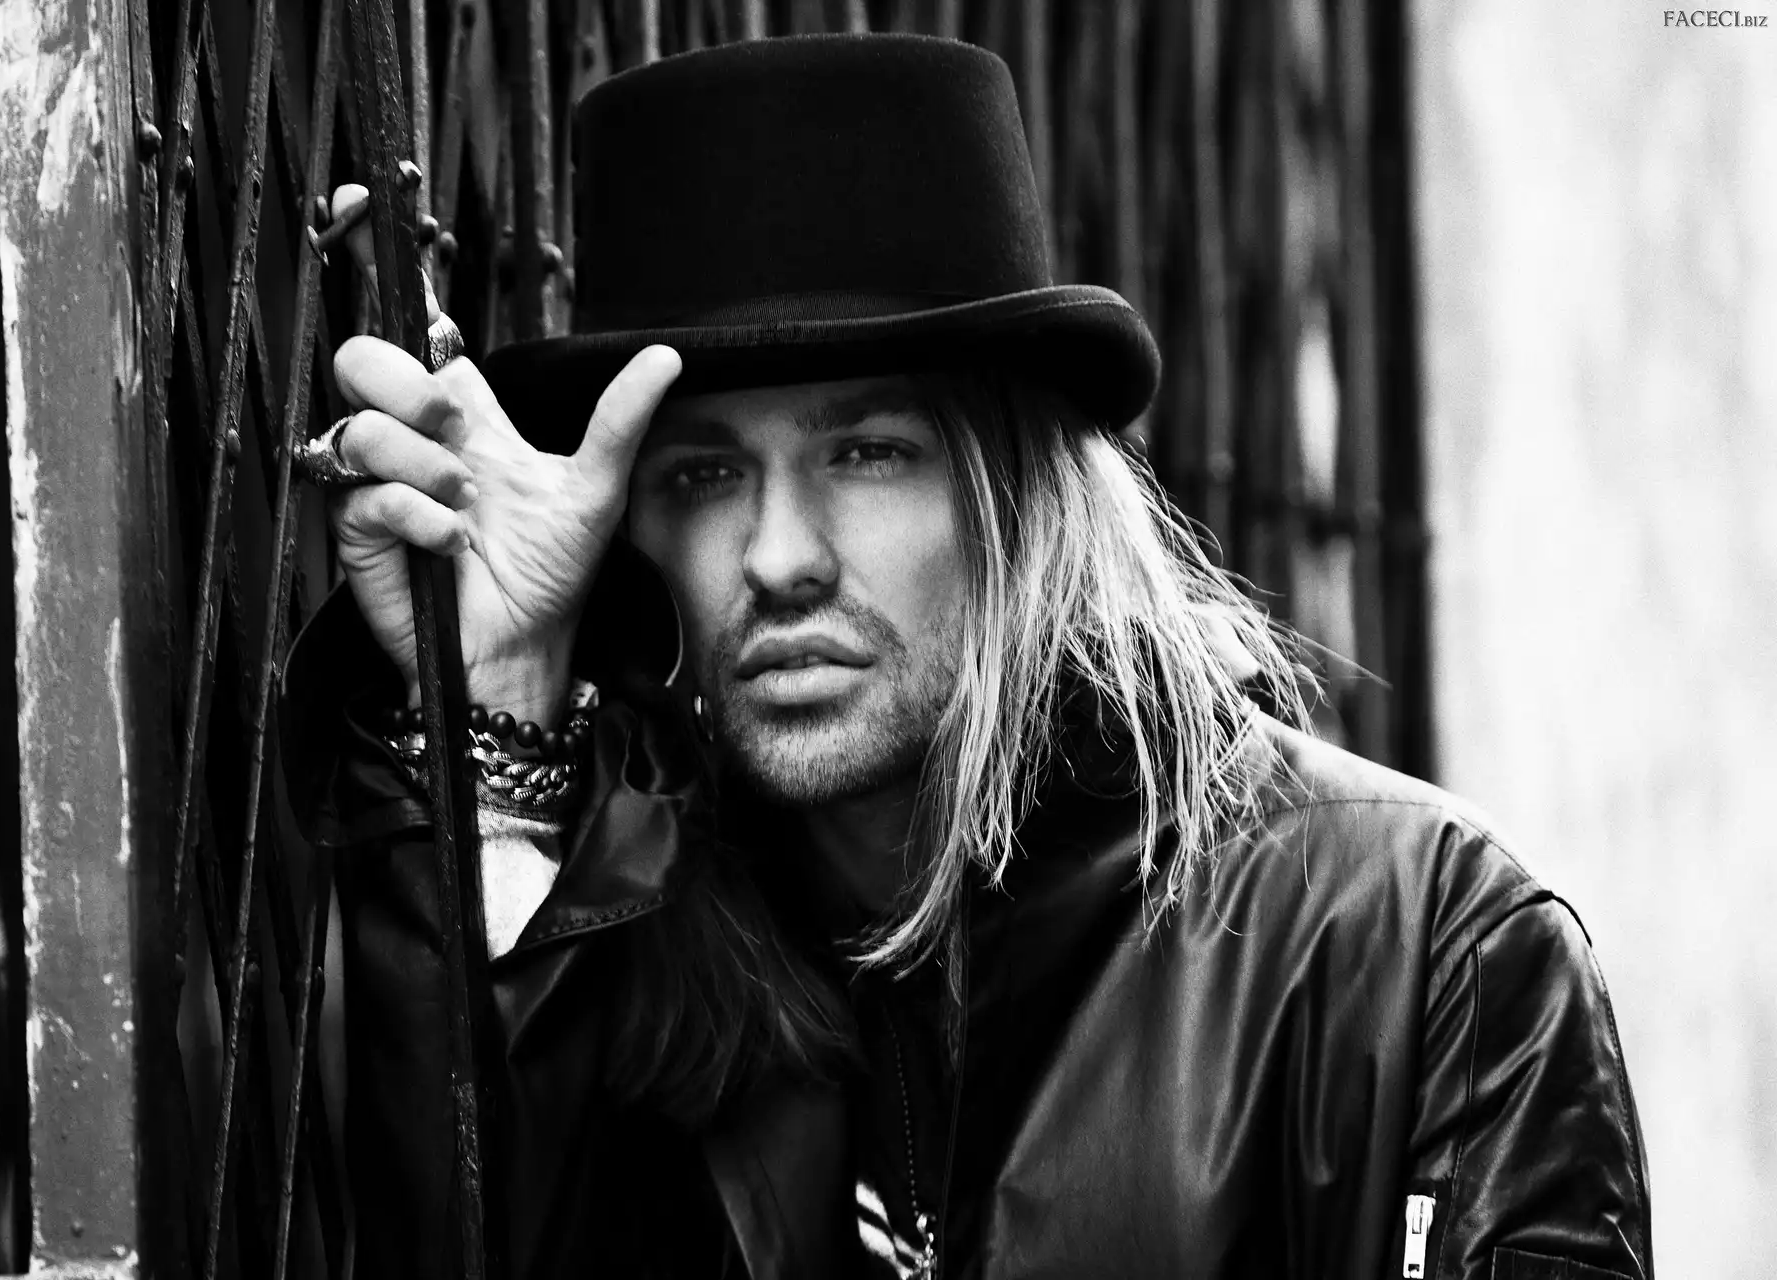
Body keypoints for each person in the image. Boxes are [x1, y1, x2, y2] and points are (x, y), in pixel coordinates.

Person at [282, 33, 1651, 1280]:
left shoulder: (1420, 944)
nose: (779, 557)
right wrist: (502, 693)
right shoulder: (646, 946)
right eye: (704, 474)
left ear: (1021, 503)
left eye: (869, 453)